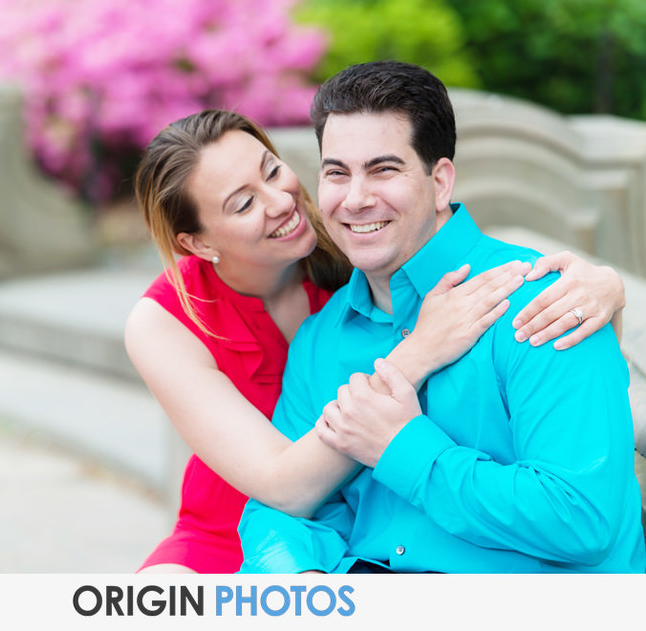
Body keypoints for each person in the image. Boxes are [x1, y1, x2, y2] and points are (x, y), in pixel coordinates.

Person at [126, 109, 627, 574]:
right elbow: (282, 489)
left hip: (331, 531)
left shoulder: (350, 250)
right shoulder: (164, 323)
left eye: (272, 170)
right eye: (243, 203)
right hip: (248, 518)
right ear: (198, 243)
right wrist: (419, 352)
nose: (280, 201)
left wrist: (608, 290)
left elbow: (440, 238)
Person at [238, 61, 646, 574]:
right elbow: (281, 515)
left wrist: (404, 449)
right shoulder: (321, 338)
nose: (357, 199)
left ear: (440, 181)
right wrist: (301, 584)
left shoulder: (547, 304)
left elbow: (580, 519)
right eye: (337, 173)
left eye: (384, 169)